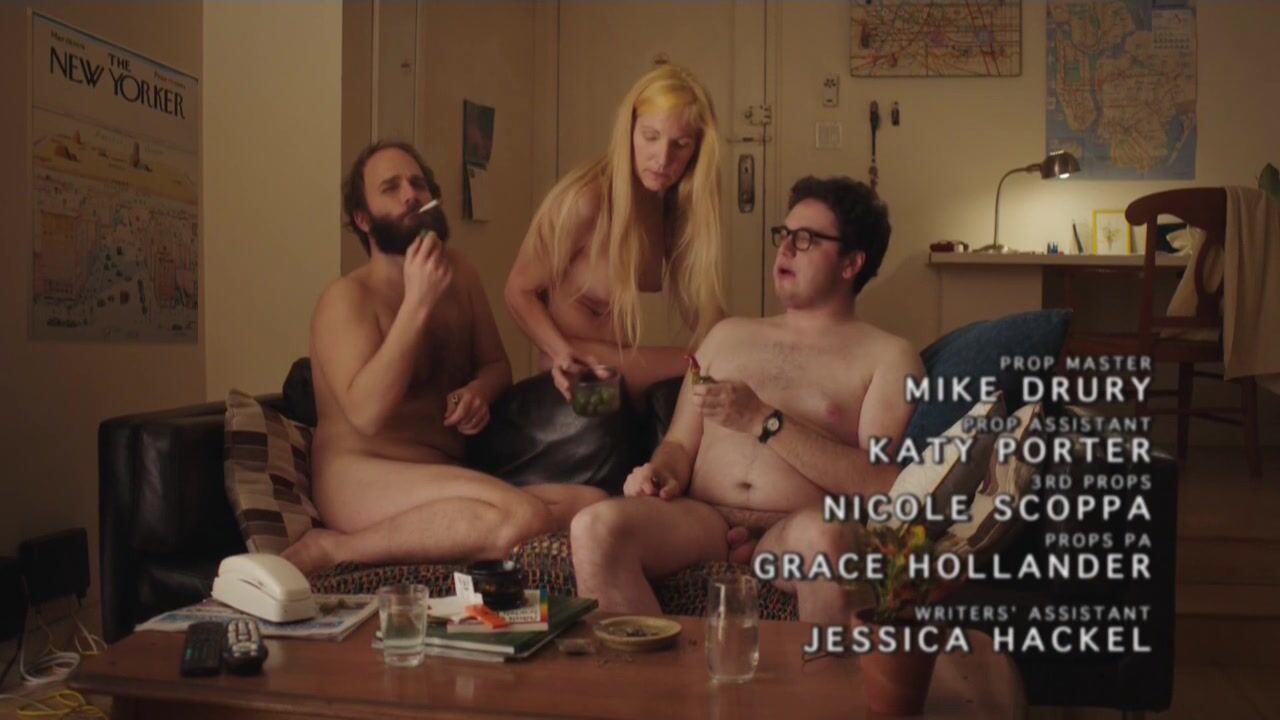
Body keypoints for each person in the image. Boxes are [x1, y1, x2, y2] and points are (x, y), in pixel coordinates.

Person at [569, 176, 925, 625]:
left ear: (851, 262)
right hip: (703, 519)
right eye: (784, 234)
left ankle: (825, 674)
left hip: (796, 526)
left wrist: (764, 420)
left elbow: (881, 483)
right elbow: (678, 444)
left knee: (827, 538)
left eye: (806, 239)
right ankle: (654, 673)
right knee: (594, 528)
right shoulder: (727, 335)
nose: (786, 249)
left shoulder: (888, 356)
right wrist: (660, 473)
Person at [283, 141, 606, 576]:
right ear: (363, 219)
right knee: (522, 518)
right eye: (391, 188)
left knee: (591, 505)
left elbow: (497, 366)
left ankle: (469, 525)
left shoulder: (460, 273)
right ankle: (336, 549)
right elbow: (366, 414)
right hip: (362, 474)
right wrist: (417, 303)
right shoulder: (346, 299)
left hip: (439, 472)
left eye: (417, 184)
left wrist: (478, 393)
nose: (410, 195)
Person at [505, 64, 726, 403]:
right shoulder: (587, 200)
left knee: (725, 362)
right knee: (709, 364)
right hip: (577, 371)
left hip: (619, 370)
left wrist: (743, 340)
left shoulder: (666, 207)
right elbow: (517, 290)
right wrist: (563, 353)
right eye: (650, 137)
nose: (662, 158)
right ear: (629, 130)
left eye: (680, 145)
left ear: (697, 151)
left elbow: (702, 310)